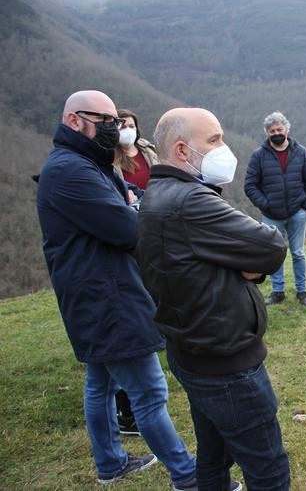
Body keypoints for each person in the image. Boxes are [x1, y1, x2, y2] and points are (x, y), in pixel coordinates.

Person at [35, 90, 197, 488]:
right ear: (74, 120)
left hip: (95, 290)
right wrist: (133, 210)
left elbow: (131, 201)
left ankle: (110, 463)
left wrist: (131, 204)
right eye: (105, 120)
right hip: (106, 295)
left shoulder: (88, 164)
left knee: (101, 383)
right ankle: (188, 476)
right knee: (148, 392)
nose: (115, 127)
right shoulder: (71, 171)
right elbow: (127, 229)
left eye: (117, 119)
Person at [137, 107, 291, 491]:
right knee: (267, 467)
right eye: (214, 140)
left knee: (213, 454)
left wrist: (243, 263)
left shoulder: (156, 194)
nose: (225, 148)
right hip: (226, 363)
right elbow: (271, 247)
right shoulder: (190, 201)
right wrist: (248, 265)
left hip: (192, 350)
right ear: (183, 151)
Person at [112, 108, 159, 436]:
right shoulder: (110, 160)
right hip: (130, 226)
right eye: (120, 125)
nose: (126, 130)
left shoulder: (148, 152)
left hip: (154, 219)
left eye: (130, 125)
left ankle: (159, 329)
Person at [244, 111, 306, 307]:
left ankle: (302, 292)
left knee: (298, 253)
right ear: (267, 133)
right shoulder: (259, 156)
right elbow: (250, 184)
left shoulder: (301, 152)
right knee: (274, 254)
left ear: (287, 129)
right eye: (272, 130)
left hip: (297, 213)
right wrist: (265, 204)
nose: (276, 133)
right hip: (271, 216)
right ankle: (278, 292)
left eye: (279, 129)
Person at [113, 108, 158, 190]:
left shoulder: (149, 150)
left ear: (136, 129)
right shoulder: (109, 157)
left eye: (131, 126)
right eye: (123, 127)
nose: (128, 130)